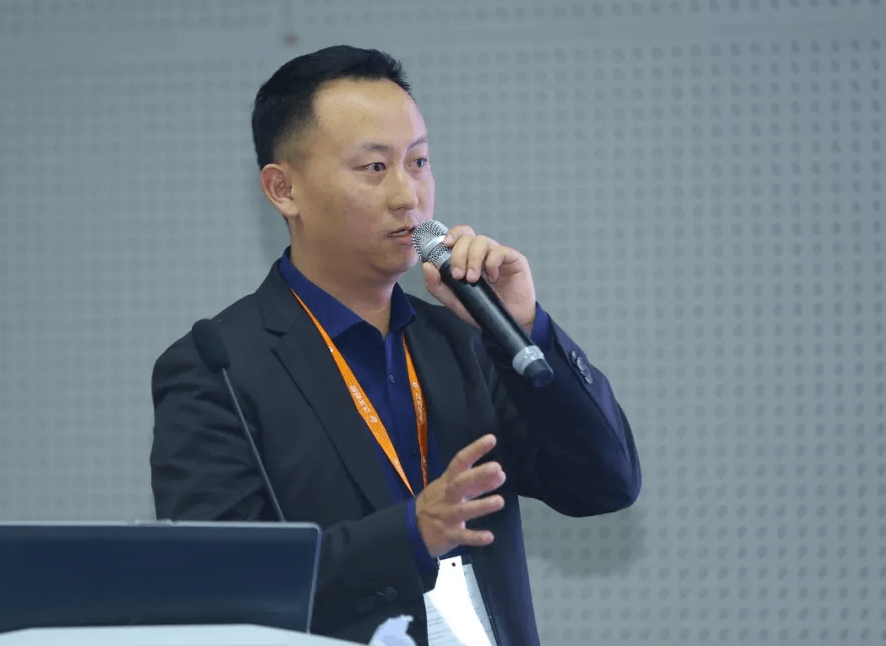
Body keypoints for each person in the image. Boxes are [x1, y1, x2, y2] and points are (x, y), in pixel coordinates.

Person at [150, 45, 641, 645]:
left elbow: (605, 483)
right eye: (375, 167)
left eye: (419, 161)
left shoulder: (468, 342)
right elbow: (215, 581)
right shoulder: (218, 368)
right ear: (283, 190)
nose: (409, 195)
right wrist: (410, 534)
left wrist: (523, 326)